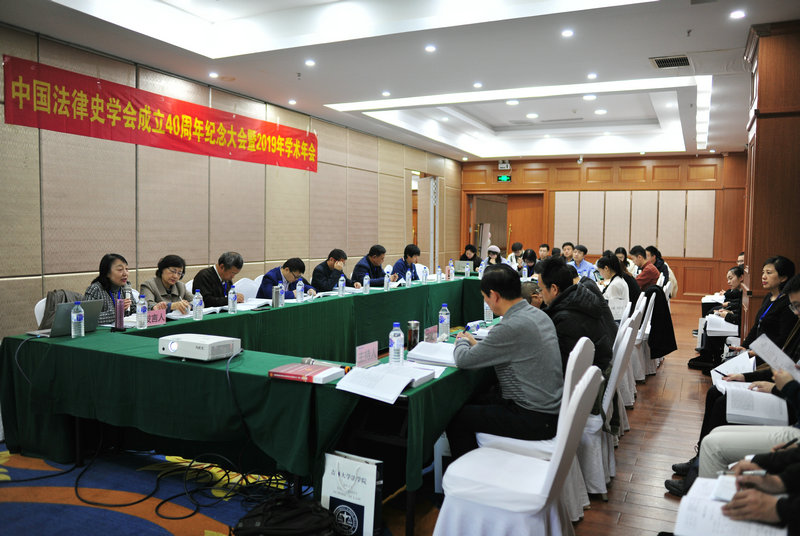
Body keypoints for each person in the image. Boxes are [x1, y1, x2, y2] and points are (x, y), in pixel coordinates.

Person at [666, 268, 799, 496]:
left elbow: (788, 374)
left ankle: (696, 479)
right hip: (783, 391)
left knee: (722, 404)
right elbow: (786, 366)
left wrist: (780, 388)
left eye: (797, 306)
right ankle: (698, 460)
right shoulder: (794, 322)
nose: (796, 312)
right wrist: (746, 376)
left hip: (788, 406)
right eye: (794, 307)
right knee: (715, 392)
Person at [445, 264, 563, 459]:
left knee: (457, 418)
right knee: (475, 400)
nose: (486, 302)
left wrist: (462, 340)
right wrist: (478, 344)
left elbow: (463, 360)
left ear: (494, 296)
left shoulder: (511, 326)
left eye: (485, 297)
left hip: (533, 417)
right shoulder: (539, 314)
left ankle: (470, 470)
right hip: (550, 410)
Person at [538, 256, 615, 373]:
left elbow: (561, 367)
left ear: (554, 289)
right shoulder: (580, 298)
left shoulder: (565, 319)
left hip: (589, 378)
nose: (540, 294)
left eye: (540, 289)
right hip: (597, 370)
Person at [84, 253, 135, 324]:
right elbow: (88, 318)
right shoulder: (95, 289)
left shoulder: (125, 287)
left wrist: (147, 308)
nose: (125, 273)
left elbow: (134, 310)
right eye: (120, 270)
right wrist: (117, 312)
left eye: (126, 269)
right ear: (107, 272)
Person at [596, 254, 630, 321]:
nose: (600, 274)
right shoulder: (617, 280)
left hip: (616, 321)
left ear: (606, 268)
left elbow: (613, 313)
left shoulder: (615, 285)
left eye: (599, 271)